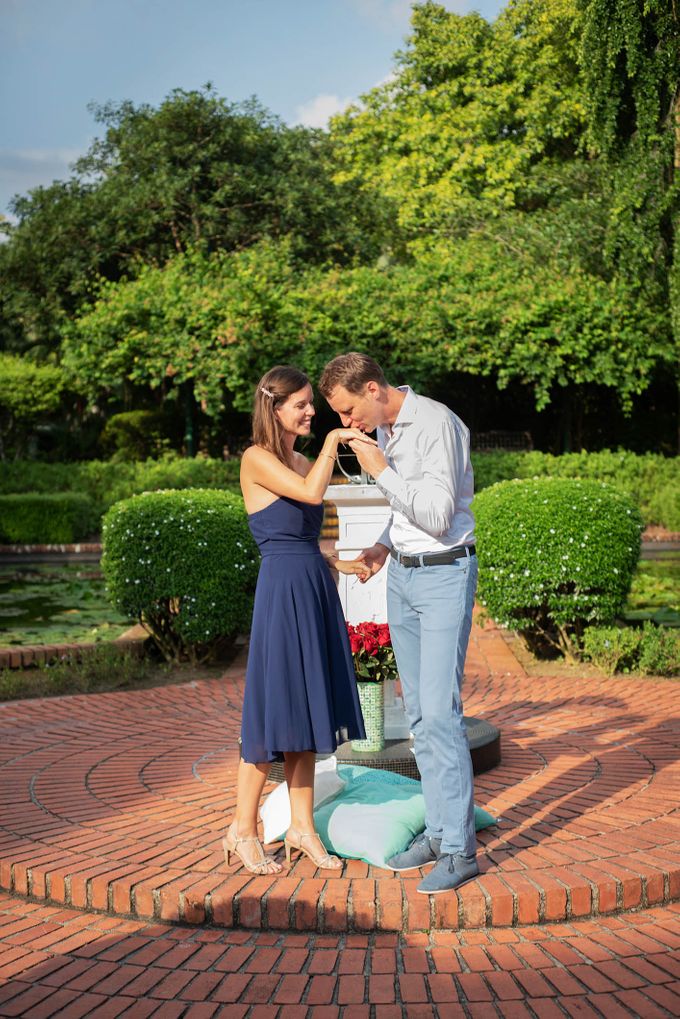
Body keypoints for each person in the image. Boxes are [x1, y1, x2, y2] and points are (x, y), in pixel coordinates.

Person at [319, 352, 479, 895]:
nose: (346, 424)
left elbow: (436, 515)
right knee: (417, 715)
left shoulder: (434, 423)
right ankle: (438, 833)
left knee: (438, 714)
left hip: (443, 576)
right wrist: (384, 546)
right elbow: (406, 508)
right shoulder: (384, 427)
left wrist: (380, 471)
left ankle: (459, 851)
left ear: (371, 387)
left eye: (347, 410)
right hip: (406, 576)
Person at [224, 364, 375, 876]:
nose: (312, 412)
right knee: (273, 713)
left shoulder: (299, 459)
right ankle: (242, 830)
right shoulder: (256, 458)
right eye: (303, 405)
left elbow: (304, 535)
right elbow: (310, 498)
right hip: (281, 595)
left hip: (312, 587)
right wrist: (336, 440)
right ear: (275, 408)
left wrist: (339, 563)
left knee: (308, 714)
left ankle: (303, 829)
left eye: (313, 404)